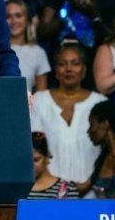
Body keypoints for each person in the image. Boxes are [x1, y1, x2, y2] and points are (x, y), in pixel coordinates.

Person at [30, 42, 105, 183]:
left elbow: (109, 150)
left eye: (75, 64)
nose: (69, 69)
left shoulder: (100, 103)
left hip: (90, 195)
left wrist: (89, 184)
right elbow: (33, 149)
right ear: (56, 71)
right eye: (62, 64)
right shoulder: (39, 101)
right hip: (49, 195)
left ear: (84, 70)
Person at [6, 0, 50, 92]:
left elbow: (41, 97)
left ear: (27, 20)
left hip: (25, 106)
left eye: (18, 16)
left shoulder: (38, 52)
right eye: (8, 16)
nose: (13, 21)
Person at [27, 131, 79, 199]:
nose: (31, 165)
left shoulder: (67, 189)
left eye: (36, 160)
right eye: (27, 161)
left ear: (47, 157)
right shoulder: (20, 189)